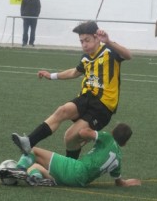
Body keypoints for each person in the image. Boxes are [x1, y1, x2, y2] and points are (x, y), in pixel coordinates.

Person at [12, 21, 132, 160]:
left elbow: (128, 55)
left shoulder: (109, 51)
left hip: (103, 106)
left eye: (87, 40)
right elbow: (74, 72)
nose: (84, 45)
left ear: (97, 37)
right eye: (81, 42)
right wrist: (51, 76)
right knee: (62, 110)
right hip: (86, 97)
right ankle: (28, 142)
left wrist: (109, 41)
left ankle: (71, 167)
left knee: (70, 137)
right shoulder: (85, 57)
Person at [0, 123, 141, 187]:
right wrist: (127, 182)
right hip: (80, 182)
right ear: (124, 144)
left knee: (33, 150)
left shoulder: (107, 137)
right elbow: (119, 182)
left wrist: (89, 134)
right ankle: (38, 178)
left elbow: (83, 132)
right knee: (35, 165)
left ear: (112, 132)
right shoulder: (118, 159)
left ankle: (18, 169)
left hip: (76, 169)